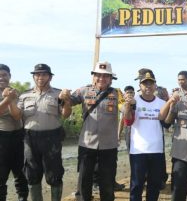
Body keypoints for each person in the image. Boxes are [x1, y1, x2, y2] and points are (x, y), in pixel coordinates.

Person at [10, 64, 71, 201]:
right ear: (33, 77)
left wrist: (66, 100)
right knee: (32, 174)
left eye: (44, 74)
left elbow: (65, 114)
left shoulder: (58, 94)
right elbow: (17, 116)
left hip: (52, 138)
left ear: (50, 77)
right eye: (37, 74)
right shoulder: (24, 95)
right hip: (30, 139)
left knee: (54, 174)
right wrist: (10, 101)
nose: (40, 77)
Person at [70, 61, 122, 201]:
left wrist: (129, 105)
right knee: (84, 179)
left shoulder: (118, 94)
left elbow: (126, 110)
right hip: (87, 143)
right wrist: (63, 97)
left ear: (111, 79)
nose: (101, 79)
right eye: (98, 75)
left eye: (105, 76)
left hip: (109, 145)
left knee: (107, 181)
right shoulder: (83, 91)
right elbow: (69, 101)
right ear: (93, 76)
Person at [123, 69, 167, 201]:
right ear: (140, 86)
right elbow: (128, 121)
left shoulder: (162, 103)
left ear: (155, 85)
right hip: (138, 150)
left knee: (154, 184)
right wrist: (127, 106)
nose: (148, 86)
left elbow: (166, 123)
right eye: (145, 83)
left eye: (150, 83)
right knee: (137, 184)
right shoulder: (134, 101)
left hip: (157, 150)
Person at [0, 64, 28, 201]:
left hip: (19, 136)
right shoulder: (11, 95)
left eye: (4, 75)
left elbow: (18, 116)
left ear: (10, 76)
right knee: (1, 174)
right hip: (2, 137)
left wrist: (11, 98)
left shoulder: (18, 93)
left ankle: (22, 198)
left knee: (21, 173)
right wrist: (8, 99)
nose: (1, 78)